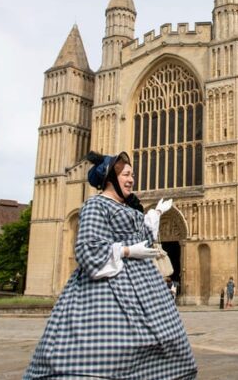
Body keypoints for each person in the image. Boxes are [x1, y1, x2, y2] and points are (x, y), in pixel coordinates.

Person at [24, 151, 197, 379]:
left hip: (144, 285)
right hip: (107, 287)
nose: (131, 179)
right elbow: (87, 249)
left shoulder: (127, 208)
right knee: (109, 345)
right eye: (126, 174)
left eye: (132, 174)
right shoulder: (95, 206)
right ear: (110, 179)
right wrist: (127, 251)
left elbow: (141, 236)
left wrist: (156, 213)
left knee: (168, 340)